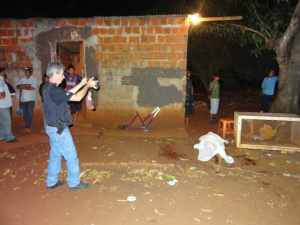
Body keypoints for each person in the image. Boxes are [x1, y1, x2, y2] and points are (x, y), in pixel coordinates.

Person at [43, 62, 98, 191]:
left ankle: (51, 181)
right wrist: (88, 86)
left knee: (55, 155)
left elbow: (67, 94)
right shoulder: (55, 90)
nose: (64, 77)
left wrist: (81, 84)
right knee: (71, 156)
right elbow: (77, 98)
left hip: (52, 128)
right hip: (59, 129)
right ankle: (74, 183)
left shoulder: (47, 87)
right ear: (55, 74)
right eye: (62, 74)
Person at [16, 67, 37, 132]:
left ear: (31, 73)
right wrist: (26, 85)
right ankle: (28, 125)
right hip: (23, 100)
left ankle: (28, 127)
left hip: (31, 99)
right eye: (25, 71)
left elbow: (32, 88)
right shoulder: (22, 79)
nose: (25, 73)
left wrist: (23, 86)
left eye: (27, 71)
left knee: (29, 113)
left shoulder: (34, 80)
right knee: (25, 113)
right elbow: (18, 86)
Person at [0, 67, 18, 143]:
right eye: (3, 71)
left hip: (2, 105)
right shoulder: (0, 80)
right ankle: (9, 137)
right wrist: (3, 95)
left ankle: (2, 135)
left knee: (2, 121)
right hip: (3, 105)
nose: (3, 73)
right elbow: (2, 95)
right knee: (7, 121)